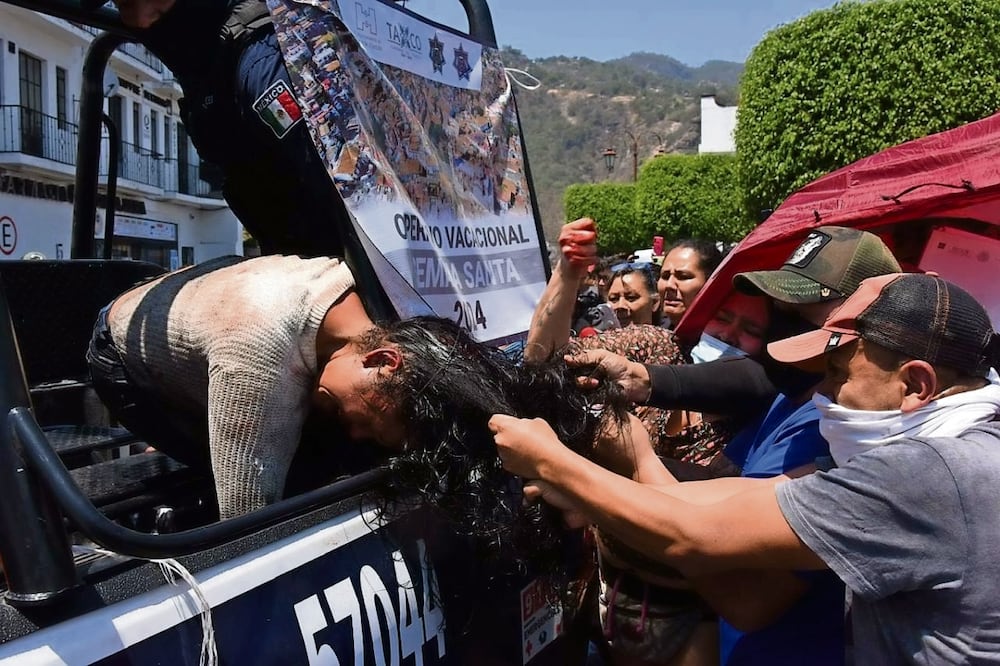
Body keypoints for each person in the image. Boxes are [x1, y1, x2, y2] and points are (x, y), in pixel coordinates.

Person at [491, 272, 1000, 665]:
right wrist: (591, 489)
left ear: (916, 385)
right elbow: (740, 500)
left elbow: (695, 535)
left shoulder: (930, 472)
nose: (823, 392)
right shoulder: (945, 445)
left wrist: (554, 461)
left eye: (840, 374)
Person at [85, 0, 347, 255]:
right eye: (124, 5)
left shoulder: (258, 61)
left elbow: (344, 191)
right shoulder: (204, 62)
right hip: (295, 258)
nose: (141, 19)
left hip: (335, 259)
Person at [657, 239, 722, 328]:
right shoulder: (652, 334)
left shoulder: (725, 335)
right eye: (665, 276)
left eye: (683, 277)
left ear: (711, 283)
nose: (669, 285)